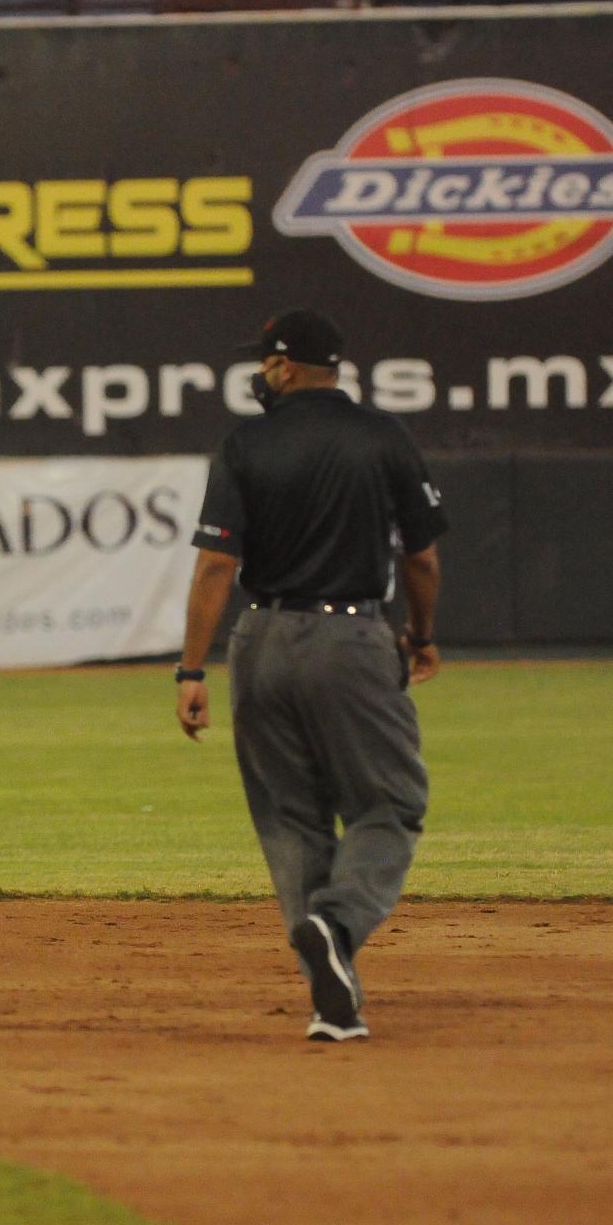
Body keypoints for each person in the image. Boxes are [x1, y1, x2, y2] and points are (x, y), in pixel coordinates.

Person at [174, 309, 446, 1043]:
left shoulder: (246, 442)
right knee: (390, 805)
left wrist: (191, 669)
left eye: (266, 363)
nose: (261, 373)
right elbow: (420, 558)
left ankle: (334, 998)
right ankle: (338, 922)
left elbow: (215, 567)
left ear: (287, 367)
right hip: (353, 634)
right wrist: (421, 635)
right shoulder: (382, 436)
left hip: (260, 638)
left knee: (290, 820)